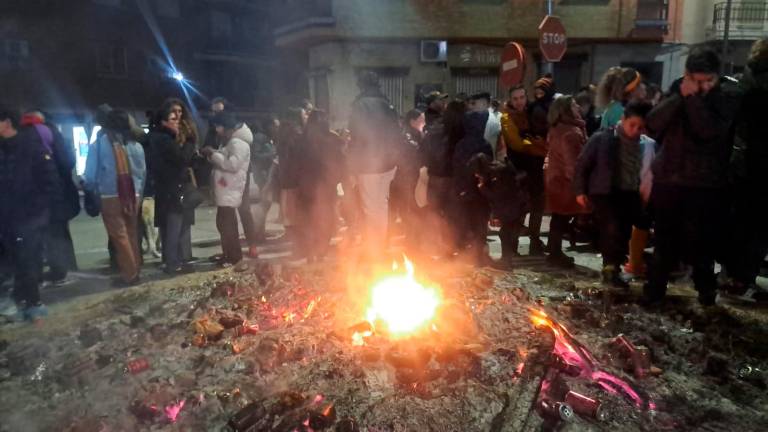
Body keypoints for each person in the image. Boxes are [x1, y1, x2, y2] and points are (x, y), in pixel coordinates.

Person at [643, 47, 742, 306]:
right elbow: (653, 123)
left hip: (705, 183)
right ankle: (654, 292)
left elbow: (707, 131)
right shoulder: (680, 88)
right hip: (669, 179)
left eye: (709, 80)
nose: (704, 86)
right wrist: (679, 96)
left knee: (702, 243)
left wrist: (690, 98)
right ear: (688, 76)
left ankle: (706, 293)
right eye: (697, 81)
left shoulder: (728, 93)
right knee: (663, 241)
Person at [574, 102, 656, 287]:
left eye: (640, 127)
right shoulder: (603, 138)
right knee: (612, 228)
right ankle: (610, 268)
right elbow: (583, 164)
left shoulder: (642, 144)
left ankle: (615, 266)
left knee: (626, 230)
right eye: (632, 125)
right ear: (623, 120)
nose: (635, 131)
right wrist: (580, 191)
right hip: (605, 191)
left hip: (629, 191)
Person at [0, 107, 57, 321]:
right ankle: (18, 301)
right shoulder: (4, 149)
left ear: (7, 122)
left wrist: (38, 210)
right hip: (7, 217)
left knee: (28, 260)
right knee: (12, 260)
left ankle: (33, 303)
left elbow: (49, 181)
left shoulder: (31, 148)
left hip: (29, 216)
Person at [725, 38, 768, 300]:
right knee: (758, 227)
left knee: (739, 222)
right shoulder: (759, 87)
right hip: (760, 167)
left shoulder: (742, 81)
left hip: (739, 163)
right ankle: (742, 279)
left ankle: (731, 276)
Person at [83, 109, 146, 286]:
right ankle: (136, 269)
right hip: (133, 195)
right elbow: (142, 174)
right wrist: (139, 193)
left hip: (110, 196)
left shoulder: (98, 145)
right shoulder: (136, 146)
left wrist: (89, 187)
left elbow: (90, 176)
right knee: (132, 233)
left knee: (119, 236)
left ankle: (130, 275)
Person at [20, 110, 80, 286]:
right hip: (57, 192)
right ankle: (64, 269)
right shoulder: (51, 133)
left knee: (41, 235)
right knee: (58, 231)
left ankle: (45, 273)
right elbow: (67, 162)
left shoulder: (24, 134)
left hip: (35, 195)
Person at [348, 71, 403, 257]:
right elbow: (396, 133)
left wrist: (352, 165)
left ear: (361, 85)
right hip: (388, 162)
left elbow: (356, 136)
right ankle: (381, 244)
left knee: (371, 207)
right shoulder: (387, 103)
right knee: (382, 206)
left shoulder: (360, 105)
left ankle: (374, 249)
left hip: (368, 163)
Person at [148, 101, 196, 275]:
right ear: (164, 120)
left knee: (173, 227)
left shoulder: (159, 136)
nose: (178, 119)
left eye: (179, 114)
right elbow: (181, 159)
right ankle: (173, 263)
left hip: (167, 188)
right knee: (173, 228)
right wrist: (190, 142)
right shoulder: (164, 139)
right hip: (172, 189)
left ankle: (175, 261)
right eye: (173, 117)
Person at [201, 112, 252, 267]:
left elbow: (232, 164)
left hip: (230, 190)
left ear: (228, 127)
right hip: (226, 189)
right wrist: (214, 153)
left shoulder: (238, 143)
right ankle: (228, 254)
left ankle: (234, 256)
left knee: (228, 225)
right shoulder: (231, 142)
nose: (217, 130)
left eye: (219, 126)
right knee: (223, 224)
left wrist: (213, 154)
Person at [545, 95, 589, 268]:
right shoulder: (570, 132)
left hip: (556, 178)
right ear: (566, 109)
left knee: (559, 217)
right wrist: (580, 185)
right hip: (565, 182)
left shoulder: (558, 128)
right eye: (574, 105)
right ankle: (555, 254)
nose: (578, 107)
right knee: (562, 217)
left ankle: (554, 251)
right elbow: (573, 163)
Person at [298, 109, 345, 262]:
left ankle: (310, 252)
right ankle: (321, 251)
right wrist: (337, 179)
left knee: (309, 219)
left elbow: (297, 164)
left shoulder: (303, 140)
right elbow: (341, 162)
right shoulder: (333, 139)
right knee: (326, 219)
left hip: (306, 186)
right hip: (327, 185)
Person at [469, 153, 529, 267]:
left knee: (505, 234)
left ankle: (506, 262)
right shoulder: (496, 170)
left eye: (477, 173)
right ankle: (507, 260)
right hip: (515, 204)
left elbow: (498, 197)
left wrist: (483, 188)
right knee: (506, 233)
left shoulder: (497, 175)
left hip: (514, 206)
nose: (476, 176)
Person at [452, 105, 493, 263]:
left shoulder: (460, 144)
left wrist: (459, 188)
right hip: (480, 192)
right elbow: (488, 169)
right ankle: (478, 256)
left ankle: (466, 254)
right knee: (480, 224)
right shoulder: (484, 145)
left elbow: (457, 168)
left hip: (465, 191)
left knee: (466, 222)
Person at [523, 77, 556, 255]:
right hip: (536, 160)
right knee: (536, 204)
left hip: (541, 158)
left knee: (537, 204)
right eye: (537, 90)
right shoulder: (538, 109)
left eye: (542, 90)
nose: (539, 93)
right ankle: (534, 241)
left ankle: (534, 240)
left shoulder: (547, 107)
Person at [276, 107, 305, 254]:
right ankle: (299, 248)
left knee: (290, 216)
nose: (305, 117)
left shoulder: (283, 134)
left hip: (286, 181)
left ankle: (296, 246)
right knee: (298, 216)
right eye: (303, 115)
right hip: (296, 181)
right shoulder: (297, 136)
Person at [250, 116, 279, 242]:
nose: (277, 128)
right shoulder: (259, 138)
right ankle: (257, 233)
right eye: (275, 126)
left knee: (266, 204)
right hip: (262, 176)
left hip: (267, 175)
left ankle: (260, 231)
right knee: (264, 204)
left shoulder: (269, 139)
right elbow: (255, 156)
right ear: (269, 126)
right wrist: (272, 155)